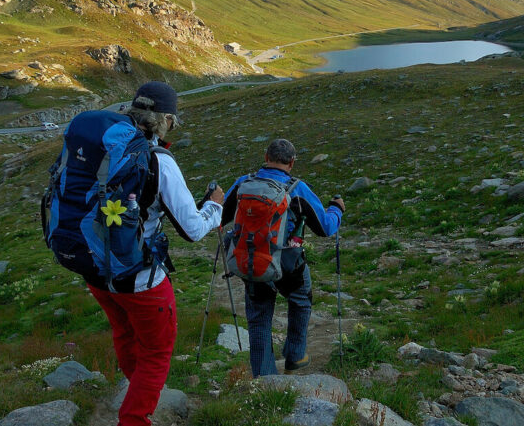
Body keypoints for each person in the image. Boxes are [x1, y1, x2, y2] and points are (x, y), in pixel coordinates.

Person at [88, 81, 224, 426]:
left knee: (125, 332)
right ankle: (134, 418)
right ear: (166, 119)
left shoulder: (102, 146)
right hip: (138, 277)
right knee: (157, 351)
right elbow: (192, 229)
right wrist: (215, 208)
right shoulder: (158, 160)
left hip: (95, 268)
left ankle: (135, 392)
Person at [221, 138, 344, 377]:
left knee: (258, 319)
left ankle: (265, 380)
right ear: (292, 163)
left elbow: (221, 217)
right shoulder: (297, 189)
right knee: (300, 297)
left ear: (266, 157)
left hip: (251, 260)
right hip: (288, 262)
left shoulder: (242, 184)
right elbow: (326, 228)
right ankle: (295, 354)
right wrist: (336, 209)